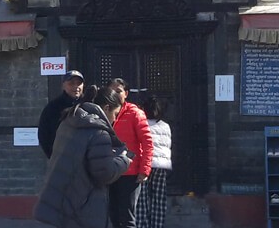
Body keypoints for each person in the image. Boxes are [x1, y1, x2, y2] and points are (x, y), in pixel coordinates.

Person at [34, 83, 132, 228]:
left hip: (60, 200)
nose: (114, 120)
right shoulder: (99, 133)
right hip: (84, 205)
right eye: (115, 114)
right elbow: (104, 173)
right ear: (106, 109)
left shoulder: (69, 121)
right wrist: (123, 160)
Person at [106, 79, 153, 228]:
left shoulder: (135, 113)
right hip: (109, 171)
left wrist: (145, 169)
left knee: (127, 216)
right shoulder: (105, 112)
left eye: (119, 91)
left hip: (129, 172)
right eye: (112, 90)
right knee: (112, 214)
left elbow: (147, 142)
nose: (115, 94)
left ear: (126, 94)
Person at [140, 96, 174, 228]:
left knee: (143, 198)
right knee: (159, 198)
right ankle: (158, 224)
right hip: (161, 165)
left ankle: (143, 225)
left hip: (145, 164)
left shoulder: (141, 124)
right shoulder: (165, 126)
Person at [39, 71, 85, 158]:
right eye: (71, 83)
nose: (76, 87)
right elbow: (43, 135)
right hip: (61, 158)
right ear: (63, 85)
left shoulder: (88, 105)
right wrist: (53, 155)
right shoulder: (53, 107)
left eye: (79, 83)